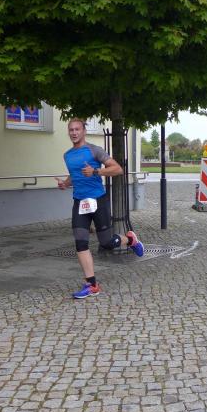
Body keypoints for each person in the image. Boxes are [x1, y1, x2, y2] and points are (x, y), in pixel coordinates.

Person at [56, 119, 145, 299]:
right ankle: (92, 285)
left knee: (106, 242)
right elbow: (75, 175)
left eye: (77, 129)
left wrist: (96, 171)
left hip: (98, 200)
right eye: (71, 130)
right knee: (80, 243)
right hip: (80, 202)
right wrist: (65, 183)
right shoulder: (67, 155)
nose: (74, 133)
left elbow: (117, 169)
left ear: (84, 131)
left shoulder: (94, 150)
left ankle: (130, 240)